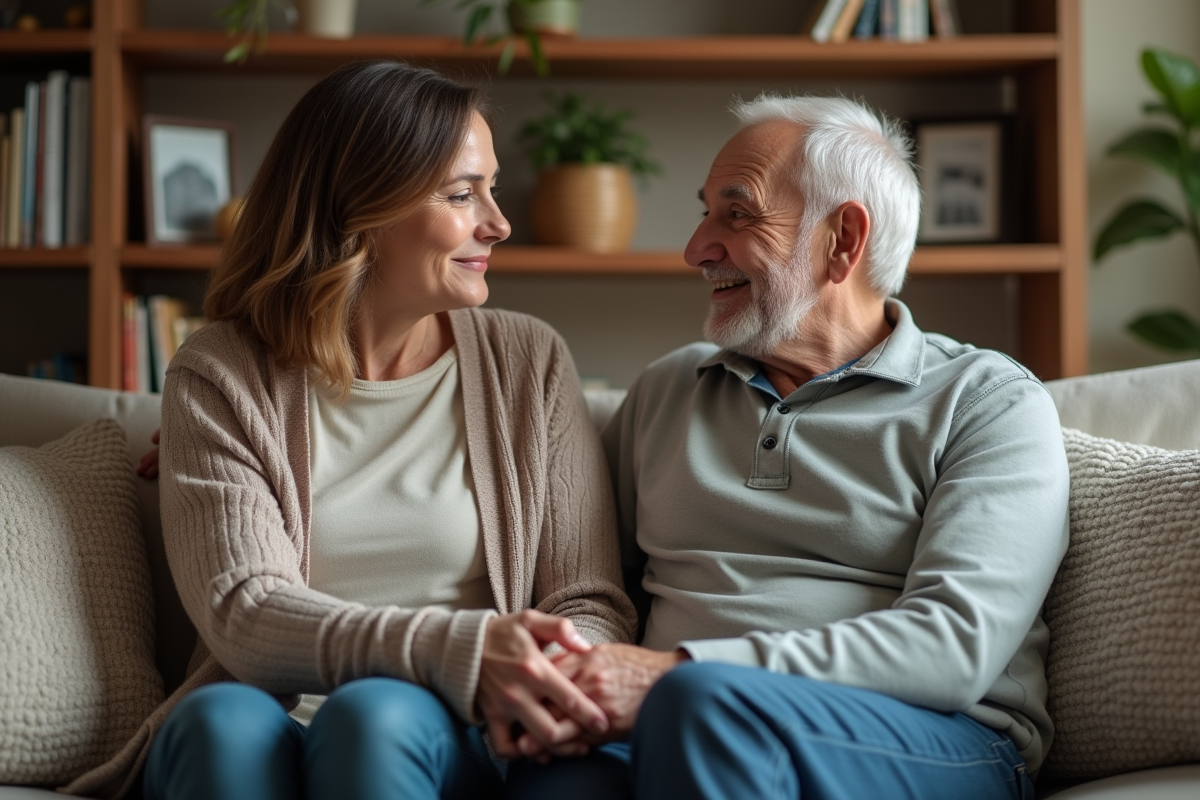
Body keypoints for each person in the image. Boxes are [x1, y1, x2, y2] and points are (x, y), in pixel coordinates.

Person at [506, 95, 1070, 800]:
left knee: (704, 707)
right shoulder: (669, 387)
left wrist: (675, 671)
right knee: (547, 777)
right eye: (704, 211)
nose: (696, 248)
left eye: (736, 214)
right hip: (674, 720)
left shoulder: (989, 402)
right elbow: (592, 585)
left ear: (843, 240)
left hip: (938, 737)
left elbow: (952, 649)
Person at [114, 60, 637, 800]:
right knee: (213, 724)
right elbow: (245, 612)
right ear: (360, 208)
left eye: (489, 187)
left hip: (463, 731)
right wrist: (461, 648)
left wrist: (541, 675)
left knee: (374, 715)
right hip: (273, 717)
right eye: (463, 193)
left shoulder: (528, 359)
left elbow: (588, 599)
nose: (499, 221)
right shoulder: (221, 371)